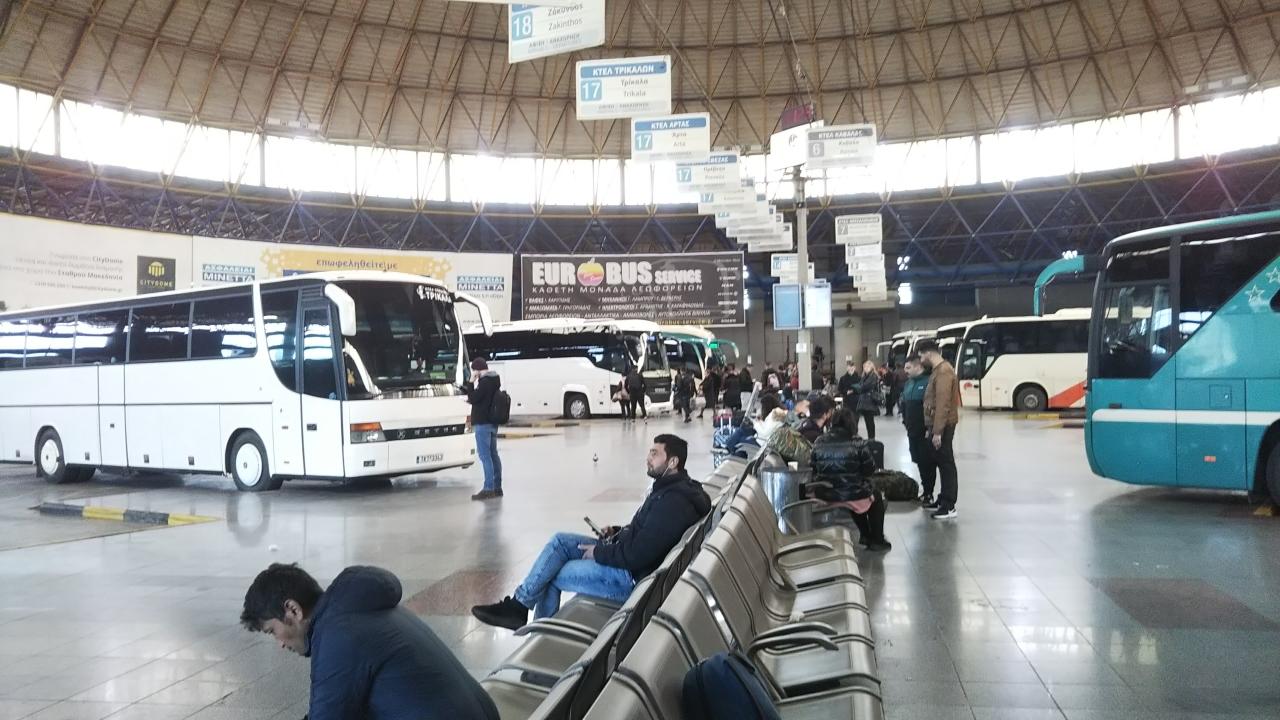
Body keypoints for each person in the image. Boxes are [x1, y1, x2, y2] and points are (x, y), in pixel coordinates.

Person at [471, 435, 710, 628]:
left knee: (551, 574)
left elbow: (638, 554)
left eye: (655, 453)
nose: (648, 458)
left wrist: (598, 552)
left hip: (628, 576)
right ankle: (519, 605)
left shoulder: (673, 502)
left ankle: (538, 645)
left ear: (673, 462)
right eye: (650, 452)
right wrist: (616, 531)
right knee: (560, 542)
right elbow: (649, 533)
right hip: (625, 555)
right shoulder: (671, 490)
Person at [241, 563, 500, 720]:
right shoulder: (356, 608)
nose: (280, 644)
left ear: (293, 610)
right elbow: (336, 706)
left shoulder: (338, 636)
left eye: (272, 631)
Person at [809, 408, 892, 551]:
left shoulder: (819, 441)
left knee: (857, 494)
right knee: (874, 497)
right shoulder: (858, 443)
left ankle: (866, 535)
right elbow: (870, 469)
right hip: (853, 493)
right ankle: (876, 539)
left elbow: (814, 468)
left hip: (826, 493)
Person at [919, 339, 961, 520]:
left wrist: (937, 431)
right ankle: (943, 498)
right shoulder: (938, 370)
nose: (920, 359)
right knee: (941, 462)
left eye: (921, 355)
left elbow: (943, 404)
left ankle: (949, 505)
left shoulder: (943, 372)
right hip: (938, 424)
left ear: (928, 353)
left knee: (946, 464)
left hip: (943, 425)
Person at [900, 357, 936, 505]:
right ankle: (925, 489)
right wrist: (905, 421)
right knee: (918, 459)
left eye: (908, 368)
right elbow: (903, 403)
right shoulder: (908, 383)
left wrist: (930, 428)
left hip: (924, 430)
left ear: (918, 367)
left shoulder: (928, 382)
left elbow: (932, 407)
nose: (905, 371)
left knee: (927, 461)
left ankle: (929, 492)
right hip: (911, 429)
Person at [465, 358, 503, 501]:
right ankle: (497, 487)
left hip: (483, 423)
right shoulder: (495, 380)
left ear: (477, 370)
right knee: (493, 455)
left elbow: (473, 398)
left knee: (485, 456)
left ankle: (488, 489)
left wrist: (471, 382)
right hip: (492, 423)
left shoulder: (484, 382)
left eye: (474, 370)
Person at [855, 360, 881, 440]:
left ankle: (872, 438)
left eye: (867, 367)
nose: (865, 368)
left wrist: (860, 387)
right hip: (864, 400)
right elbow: (860, 385)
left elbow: (865, 386)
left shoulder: (873, 376)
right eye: (864, 367)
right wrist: (860, 387)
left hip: (870, 401)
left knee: (870, 421)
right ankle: (870, 437)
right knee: (867, 420)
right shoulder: (864, 376)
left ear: (871, 367)